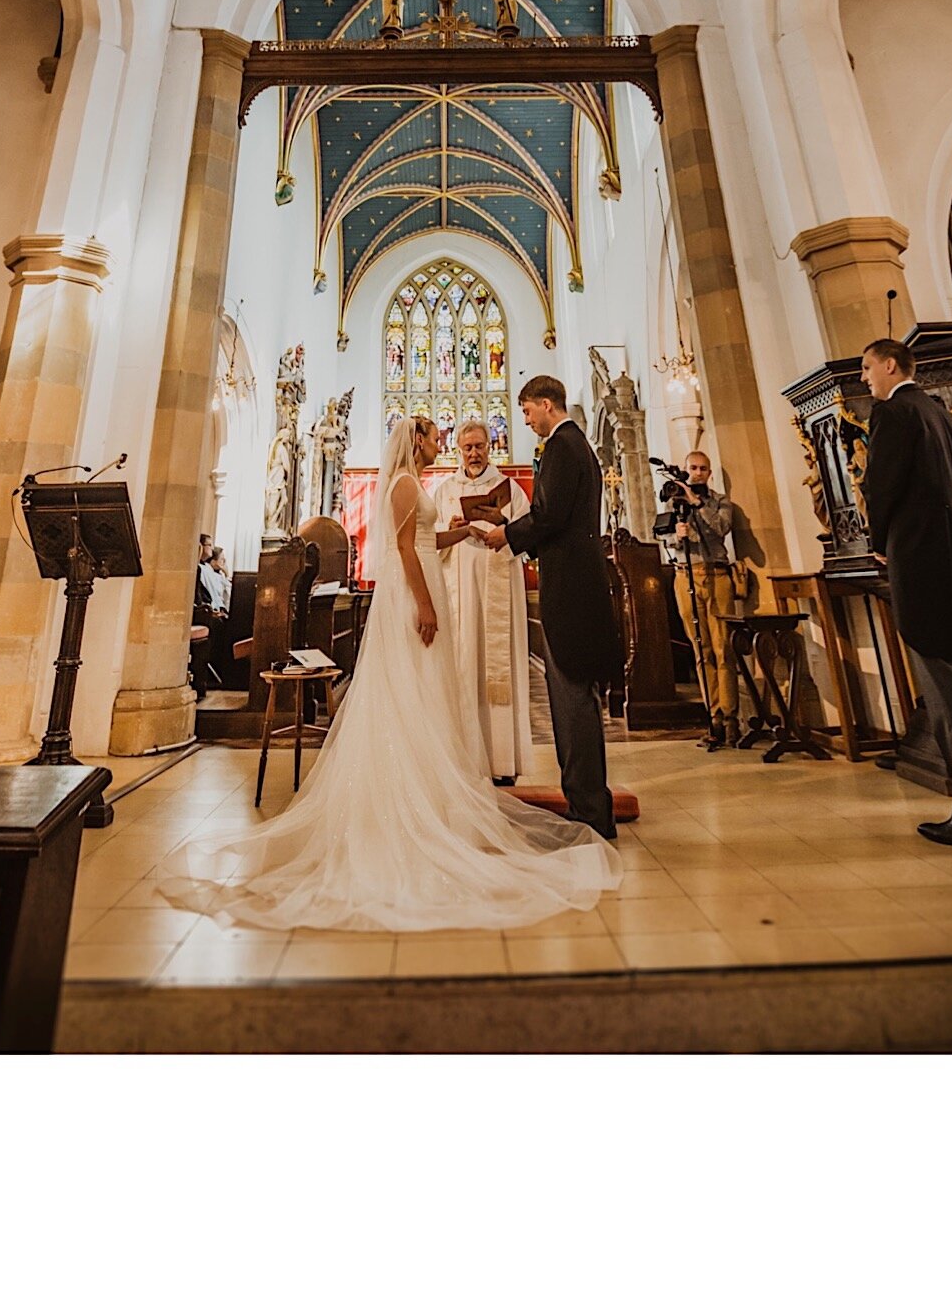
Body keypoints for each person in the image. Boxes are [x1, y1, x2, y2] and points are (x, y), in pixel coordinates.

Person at [158, 417, 620, 931]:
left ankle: (434, 798)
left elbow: (427, 539)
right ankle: (410, 804)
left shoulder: (418, 486)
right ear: (415, 441)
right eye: (436, 437)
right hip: (413, 602)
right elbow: (404, 552)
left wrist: (467, 530)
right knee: (411, 697)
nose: (444, 445)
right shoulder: (403, 485)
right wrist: (425, 603)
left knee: (429, 698)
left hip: (431, 590)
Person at [860, 338, 952, 852]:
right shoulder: (942, 414)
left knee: (947, 690)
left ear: (891, 364)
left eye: (868, 368)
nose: (864, 379)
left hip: (921, 561)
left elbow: (881, 485)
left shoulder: (893, 413)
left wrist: (878, 543)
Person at [482, 376, 621, 840]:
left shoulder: (563, 447)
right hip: (578, 583)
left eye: (526, 411)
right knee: (571, 699)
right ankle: (585, 805)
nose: (524, 420)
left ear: (546, 404)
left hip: (572, 590)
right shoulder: (574, 444)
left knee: (572, 700)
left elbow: (551, 515)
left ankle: (588, 811)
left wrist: (508, 535)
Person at [432, 420, 532, 783]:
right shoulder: (444, 491)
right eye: (467, 448)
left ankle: (501, 763)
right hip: (459, 589)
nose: (473, 454)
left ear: (491, 447)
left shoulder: (510, 490)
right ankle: (466, 760)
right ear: (457, 449)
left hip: (497, 586)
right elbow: (431, 541)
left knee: (496, 669)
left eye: (479, 446)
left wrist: (503, 524)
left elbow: (526, 533)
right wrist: (457, 526)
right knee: (464, 665)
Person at [670, 448, 747, 750]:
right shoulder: (675, 502)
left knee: (722, 647)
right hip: (685, 575)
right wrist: (677, 534)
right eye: (693, 468)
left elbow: (721, 528)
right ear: (686, 470)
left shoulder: (719, 502)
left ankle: (731, 717)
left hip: (717, 576)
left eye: (703, 468)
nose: (698, 473)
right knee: (701, 648)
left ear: (709, 473)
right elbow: (664, 537)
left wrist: (698, 504)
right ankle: (712, 715)